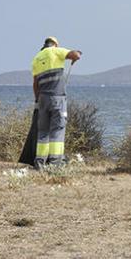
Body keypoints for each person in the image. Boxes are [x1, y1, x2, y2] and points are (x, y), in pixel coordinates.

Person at [30, 36, 82, 168]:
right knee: (57, 130)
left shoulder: (36, 58)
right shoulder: (56, 51)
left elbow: (35, 84)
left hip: (42, 99)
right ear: (55, 45)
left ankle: (40, 162)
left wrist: (37, 100)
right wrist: (77, 54)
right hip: (57, 98)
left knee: (43, 132)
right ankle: (55, 163)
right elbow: (75, 55)